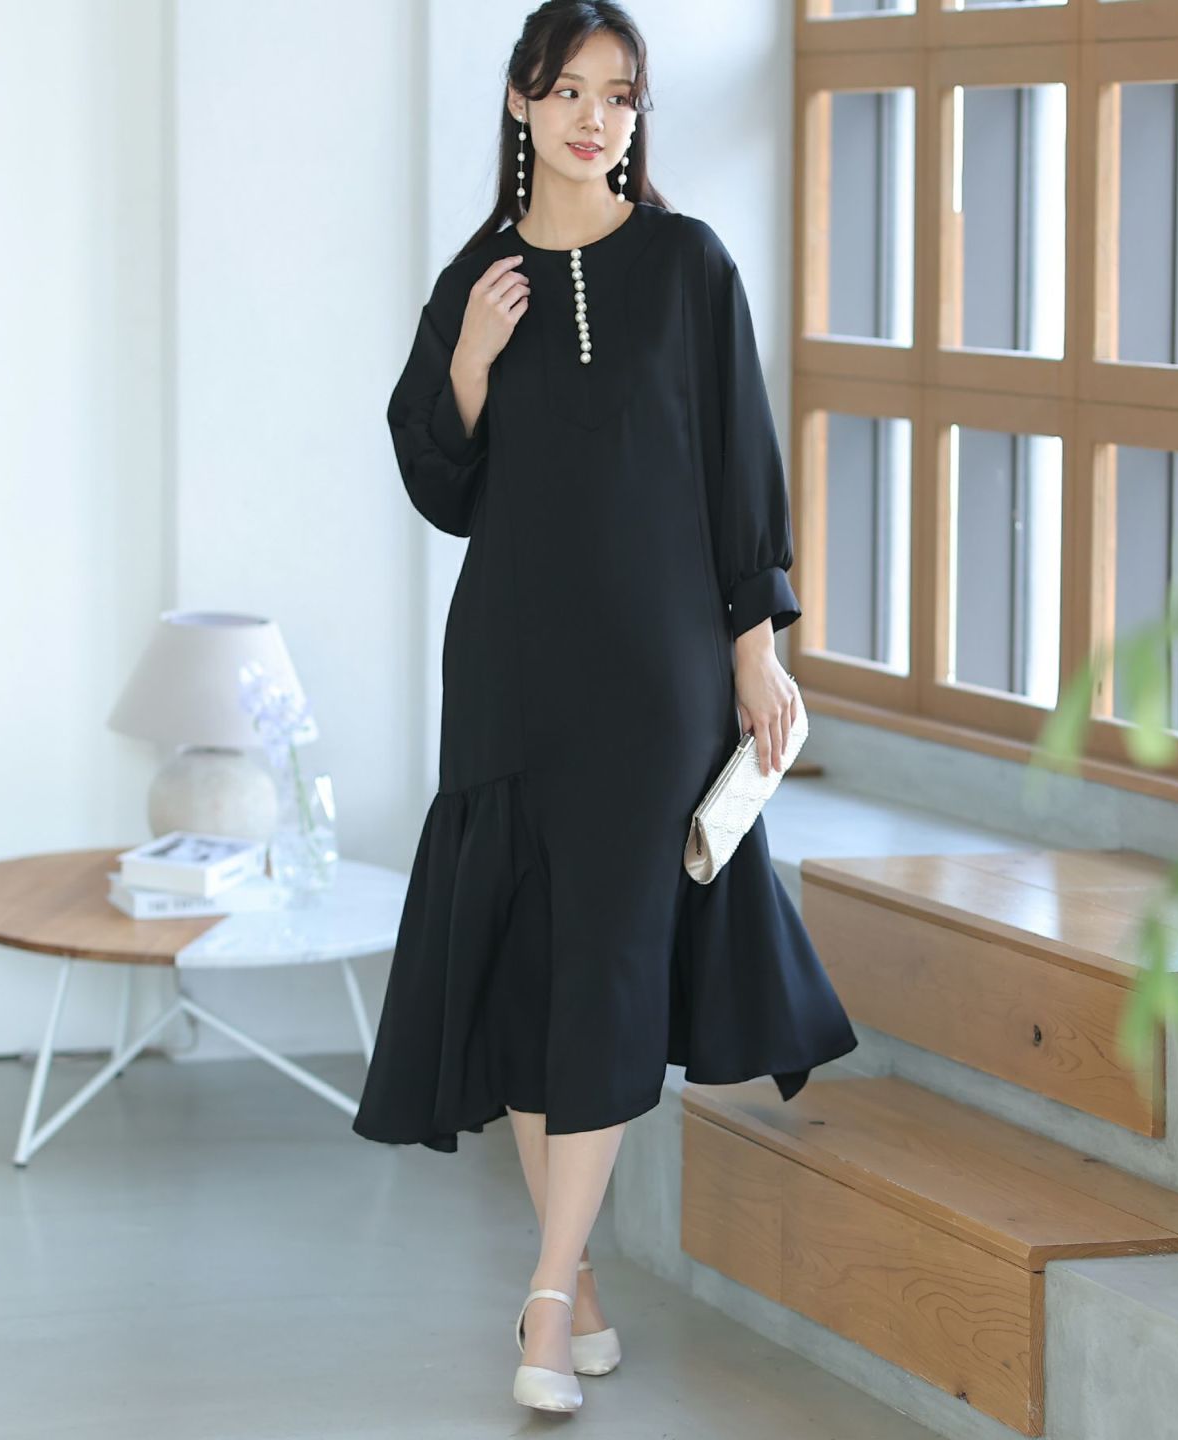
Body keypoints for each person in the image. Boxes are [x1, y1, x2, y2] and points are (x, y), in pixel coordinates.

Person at [351, 0, 859, 1414]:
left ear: (639, 114)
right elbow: (439, 484)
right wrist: (468, 362)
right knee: (534, 980)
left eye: (619, 94)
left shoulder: (690, 266)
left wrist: (756, 649)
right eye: (568, 90)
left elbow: (738, 469)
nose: (594, 117)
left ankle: (539, 1300)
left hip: (656, 685)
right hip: (511, 675)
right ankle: (572, 1278)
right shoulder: (476, 279)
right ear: (521, 101)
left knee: (613, 975)